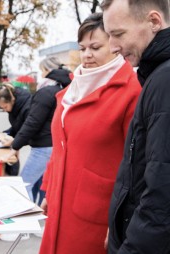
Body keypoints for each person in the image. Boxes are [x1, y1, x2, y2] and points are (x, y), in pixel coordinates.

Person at [39, 13, 141, 254]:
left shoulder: (131, 92)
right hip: (60, 201)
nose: (86, 54)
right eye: (82, 48)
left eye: (95, 47)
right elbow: (60, 147)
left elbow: (138, 165)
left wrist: (123, 218)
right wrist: (48, 188)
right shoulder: (73, 89)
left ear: (115, 47)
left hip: (97, 213)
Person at [102, 0, 170, 253]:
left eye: (118, 34)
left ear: (154, 21)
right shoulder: (157, 76)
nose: (112, 47)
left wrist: (131, 246)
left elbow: (162, 194)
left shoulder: (165, 80)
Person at [2, 57, 71, 204]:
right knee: (41, 184)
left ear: (48, 70)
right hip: (54, 143)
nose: (41, 75)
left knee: (23, 184)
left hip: (43, 147)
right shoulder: (63, 89)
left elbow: (33, 122)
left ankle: (27, 219)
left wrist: (16, 145)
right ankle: (40, 212)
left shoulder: (46, 92)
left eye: (42, 71)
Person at [0, 83, 32, 176]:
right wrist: (6, 134)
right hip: (25, 140)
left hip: (41, 146)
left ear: (12, 100)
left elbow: (28, 130)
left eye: (5, 107)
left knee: (30, 178)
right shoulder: (14, 107)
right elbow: (17, 126)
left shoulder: (27, 108)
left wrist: (14, 141)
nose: (5, 110)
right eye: (2, 108)